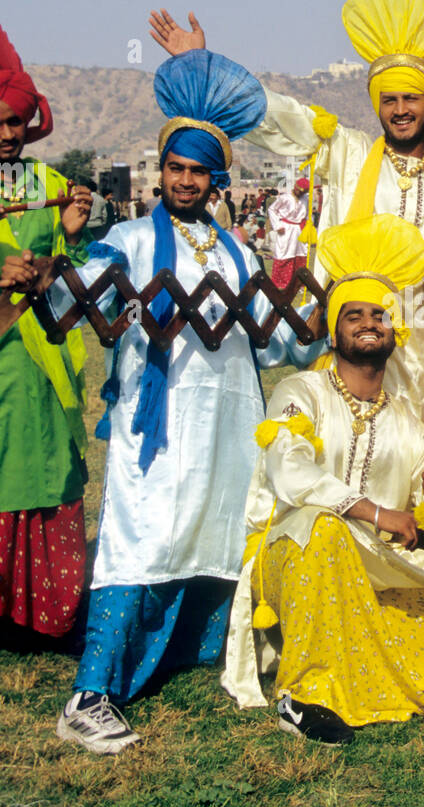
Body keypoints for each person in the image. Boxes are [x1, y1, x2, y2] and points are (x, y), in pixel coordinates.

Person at [44, 49, 322, 754]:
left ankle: (197, 652)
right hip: (158, 421)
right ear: (161, 172)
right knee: (141, 533)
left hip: (231, 420)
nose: (186, 181)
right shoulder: (131, 238)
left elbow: (264, 346)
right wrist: (75, 259)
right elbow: (82, 300)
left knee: (219, 526)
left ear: (216, 179)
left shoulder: (238, 252)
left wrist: (306, 333)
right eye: (176, 168)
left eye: (199, 171)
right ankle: (91, 694)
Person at [222, 214, 424, 741]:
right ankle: (307, 693)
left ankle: (360, 660)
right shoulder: (300, 392)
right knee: (324, 532)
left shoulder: (409, 419)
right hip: (294, 553)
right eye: (353, 316)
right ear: (335, 328)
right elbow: (291, 472)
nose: (369, 323)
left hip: (380, 563)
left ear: (396, 331)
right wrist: (374, 512)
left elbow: (419, 510)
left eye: (380, 316)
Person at [149, 0, 424, 411]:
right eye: (390, 100)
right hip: (352, 332)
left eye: (411, 99)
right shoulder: (350, 152)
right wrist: (199, 67)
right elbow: (282, 115)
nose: (401, 110)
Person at [0, 23, 93, 639]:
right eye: (0, 122)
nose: (9, 135)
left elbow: (75, 274)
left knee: (43, 462)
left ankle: (41, 613)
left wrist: (75, 234)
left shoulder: (43, 186)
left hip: (40, 358)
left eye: (16, 123)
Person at [267, 176, 310, 290]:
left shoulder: (306, 199)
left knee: (300, 253)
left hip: (299, 229)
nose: (300, 194)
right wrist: (277, 225)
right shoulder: (285, 198)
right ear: (295, 188)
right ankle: (281, 282)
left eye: (303, 192)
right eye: (299, 191)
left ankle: (298, 283)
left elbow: (307, 215)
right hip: (285, 229)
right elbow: (272, 209)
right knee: (284, 253)